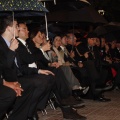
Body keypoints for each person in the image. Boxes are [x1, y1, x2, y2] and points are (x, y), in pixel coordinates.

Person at [17, 23, 87, 120]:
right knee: (54, 75)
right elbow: (29, 60)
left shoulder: (26, 45)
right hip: (29, 73)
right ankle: (67, 100)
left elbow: (43, 61)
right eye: (39, 36)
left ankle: (67, 104)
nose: (27, 31)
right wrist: (42, 51)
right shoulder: (23, 45)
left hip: (36, 71)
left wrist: (50, 64)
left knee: (55, 72)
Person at [0, 16, 34, 120]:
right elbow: (4, 67)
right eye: (16, 26)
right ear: (9, 28)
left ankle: (22, 115)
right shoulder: (2, 44)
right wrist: (11, 50)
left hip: (14, 77)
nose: (18, 29)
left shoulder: (14, 42)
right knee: (16, 90)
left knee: (32, 84)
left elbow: (19, 66)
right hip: (6, 78)